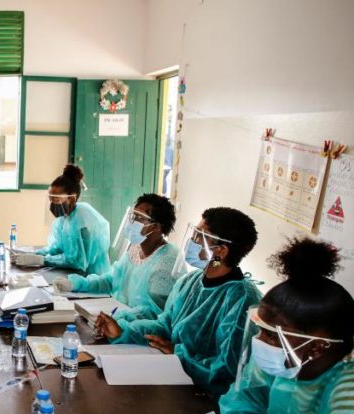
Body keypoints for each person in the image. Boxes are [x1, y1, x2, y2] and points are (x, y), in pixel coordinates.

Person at [220, 238, 354, 414]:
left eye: (270, 334)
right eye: (260, 329)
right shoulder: (289, 361)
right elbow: (239, 404)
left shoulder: (346, 399)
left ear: (317, 346)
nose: (260, 340)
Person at [95, 207, 262, 397]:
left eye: (200, 236)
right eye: (194, 233)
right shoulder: (190, 282)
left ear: (221, 251)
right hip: (173, 380)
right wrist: (123, 331)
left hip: (207, 399)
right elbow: (165, 324)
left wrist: (180, 354)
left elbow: (227, 370)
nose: (192, 241)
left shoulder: (242, 301)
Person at [53, 193, 178, 323]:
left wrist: (119, 318)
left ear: (157, 226)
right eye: (133, 216)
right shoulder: (136, 249)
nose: (132, 222)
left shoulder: (167, 261)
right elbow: (112, 279)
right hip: (118, 321)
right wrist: (77, 284)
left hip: (140, 332)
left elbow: (154, 313)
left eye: (139, 218)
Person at [13, 164, 110, 275]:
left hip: (91, 278)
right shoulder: (63, 219)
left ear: (72, 198)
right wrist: (32, 253)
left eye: (57, 199)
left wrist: (43, 260)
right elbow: (56, 248)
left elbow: (78, 261)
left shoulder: (82, 219)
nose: (53, 204)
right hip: (72, 274)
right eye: (51, 199)